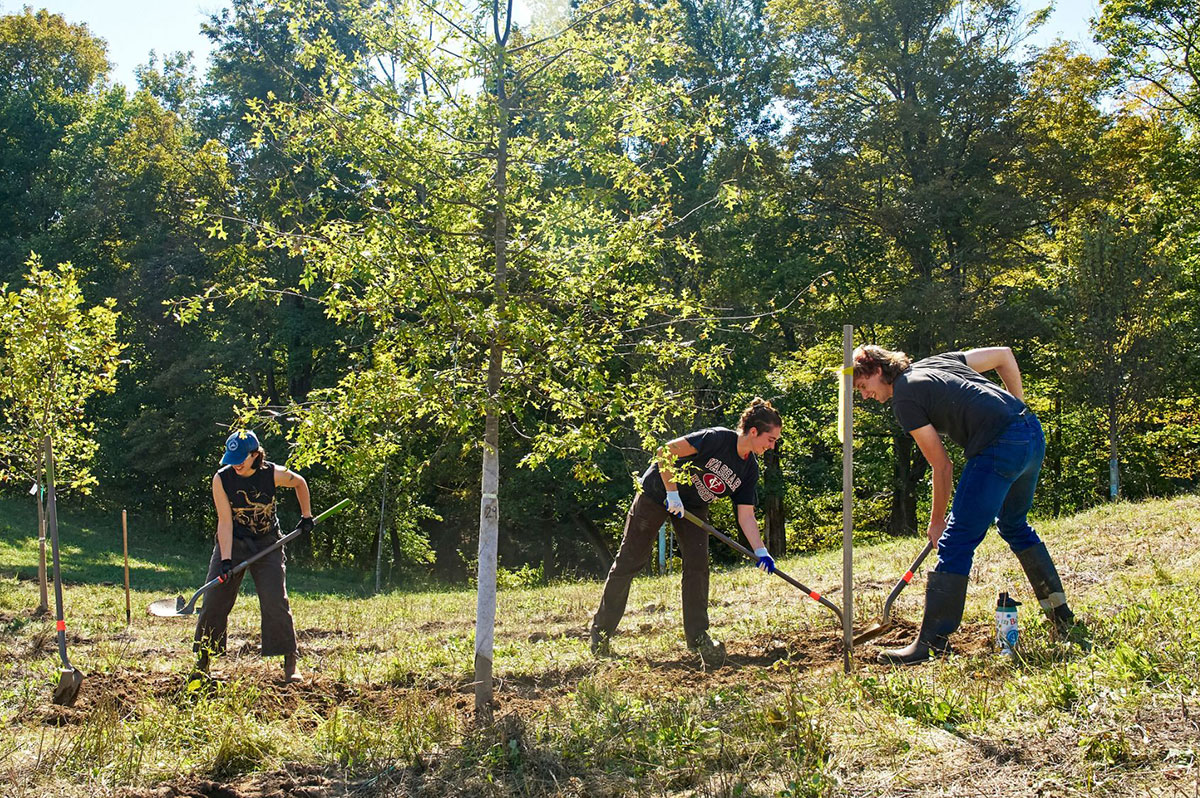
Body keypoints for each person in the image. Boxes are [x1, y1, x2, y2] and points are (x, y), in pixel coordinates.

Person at [853, 345, 1082, 665]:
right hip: (1030, 434)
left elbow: (941, 465)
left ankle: (931, 643)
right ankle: (1061, 616)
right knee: (1014, 525)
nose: (864, 396)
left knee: (956, 541)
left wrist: (936, 523)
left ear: (877, 370)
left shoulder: (904, 397)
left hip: (999, 446)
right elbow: (1004, 355)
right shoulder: (935, 361)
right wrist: (1018, 404)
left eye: (863, 387)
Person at [590, 398, 782, 666]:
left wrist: (760, 550)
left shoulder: (749, 469)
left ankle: (698, 637)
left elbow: (746, 515)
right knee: (630, 560)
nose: (772, 445)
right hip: (657, 493)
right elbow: (665, 452)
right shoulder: (717, 439)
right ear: (754, 432)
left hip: (693, 507)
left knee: (698, 565)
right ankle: (601, 632)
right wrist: (672, 494)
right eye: (771, 439)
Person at [192, 429, 315, 683]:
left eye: (241, 458)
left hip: (267, 542)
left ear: (255, 455)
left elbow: (300, 482)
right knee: (214, 598)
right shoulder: (222, 479)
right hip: (234, 544)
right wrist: (226, 560)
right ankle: (203, 660)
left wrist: (306, 517)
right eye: (231, 457)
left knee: (274, 600)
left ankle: (290, 661)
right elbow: (225, 522)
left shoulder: (271, 474)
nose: (235, 463)